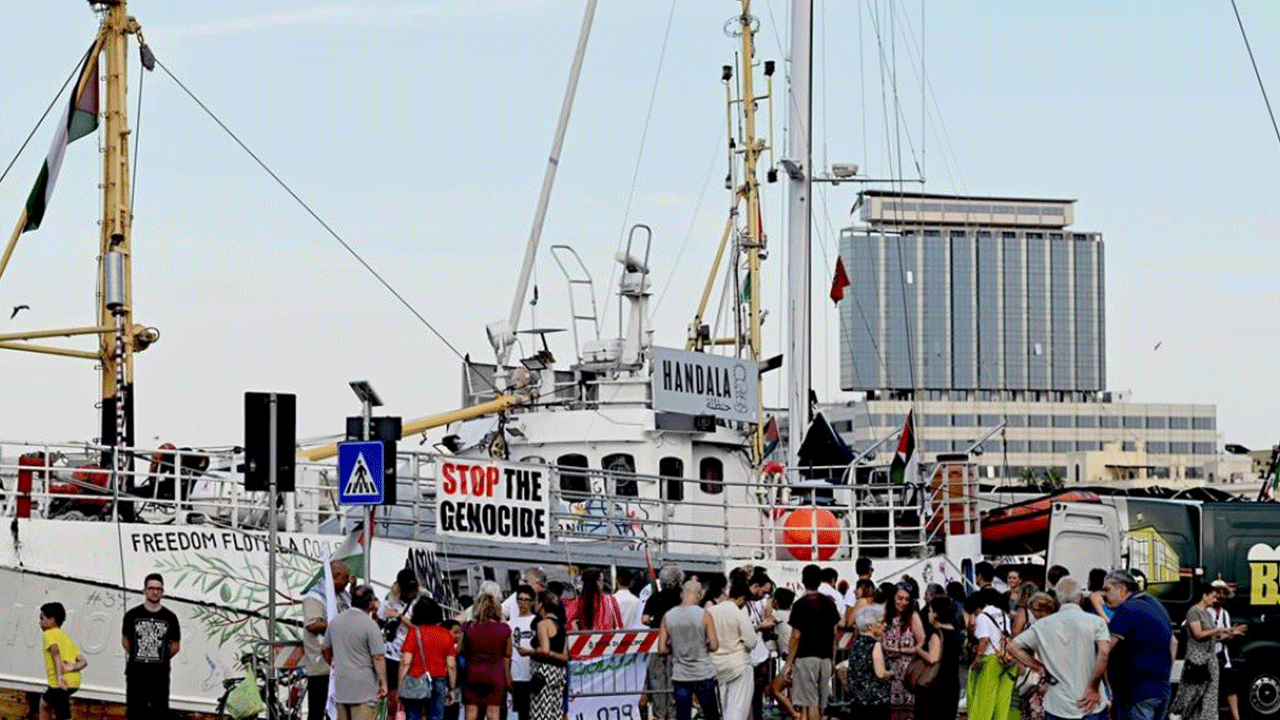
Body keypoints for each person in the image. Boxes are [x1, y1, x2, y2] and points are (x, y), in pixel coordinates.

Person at [1004, 577, 1109, 720]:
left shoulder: (1041, 626)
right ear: (1080, 598)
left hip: (1058, 704)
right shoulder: (1096, 622)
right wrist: (1093, 687)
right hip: (1091, 704)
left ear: (1058, 600)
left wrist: (1039, 667)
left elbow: (1012, 647)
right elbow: (1103, 653)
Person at [1082, 570, 1174, 720]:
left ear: (1122, 589)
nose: (1103, 595)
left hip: (1136, 693)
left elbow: (1106, 650)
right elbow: (1174, 643)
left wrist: (1093, 685)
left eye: (1107, 589)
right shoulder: (1156, 606)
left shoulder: (1127, 609)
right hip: (1161, 691)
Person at [783, 564, 841, 720]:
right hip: (826, 657)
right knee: (820, 703)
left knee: (809, 702)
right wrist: (833, 660)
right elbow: (834, 635)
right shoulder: (830, 603)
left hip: (806, 657)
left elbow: (796, 636)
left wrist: (789, 663)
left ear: (803, 580)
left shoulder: (800, 604)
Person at [121, 572, 181, 720]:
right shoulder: (132, 615)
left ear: (163, 592)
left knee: (159, 713)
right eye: (151, 588)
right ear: (144, 590)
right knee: (135, 712)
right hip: (136, 674)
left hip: (160, 675)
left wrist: (161, 657)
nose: (155, 592)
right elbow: (125, 640)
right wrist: (138, 654)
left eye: (158, 589)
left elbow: (175, 645)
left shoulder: (170, 617)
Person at [660, 578, 721, 720]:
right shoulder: (704, 615)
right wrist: (701, 646)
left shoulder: (668, 616)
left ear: (682, 594)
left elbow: (662, 649)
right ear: (699, 595)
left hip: (680, 675)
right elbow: (714, 645)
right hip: (703, 673)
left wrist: (676, 648)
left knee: (683, 715)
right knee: (711, 714)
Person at [325, 584, 388, 720]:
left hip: (341, 688)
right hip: (364, 689)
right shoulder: (370, 625)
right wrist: (383, 683)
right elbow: (378, 657)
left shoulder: (335, 622)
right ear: (371, 604)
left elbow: (325, 650)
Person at [1170, 585, 1228, 720]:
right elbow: (1198, 634)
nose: (1215, 599)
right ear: (1204, 596)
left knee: (1210, 694)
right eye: (1213, 596)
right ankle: (1178, 714)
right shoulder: (1193, 612)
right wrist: (1218, 630)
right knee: (1191, 692)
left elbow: (1212, 635)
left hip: (1210, 658)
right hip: (1197, 659)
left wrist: (1228, 632)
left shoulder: (1207, 613)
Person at [305, 560, 353, 720]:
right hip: (322, 665)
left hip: (342, 664)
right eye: (345, 578)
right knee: (318, 710)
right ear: (334, 576)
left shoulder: (343, 594)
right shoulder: (315, 596)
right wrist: (340, 624)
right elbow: (312, 625)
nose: (347, 582)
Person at [399, 598, 458, 720]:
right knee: (436, 716)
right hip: (438, 680)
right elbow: (451, 665)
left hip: (415, 679)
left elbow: (405, 662)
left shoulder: (413, 632)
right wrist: (452, 688)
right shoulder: (446, 634)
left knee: (413, 715)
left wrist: (400, 685)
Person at [708, 579, 757, 720]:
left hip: (716, 666)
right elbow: (751, 641)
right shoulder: (739, 613)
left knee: (721, 708)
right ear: (742, 598)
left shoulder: (710, 611)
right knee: (737, 709)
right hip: (739, 665)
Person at [642, 564, 685, 720]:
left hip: (657, 643)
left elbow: (645, 619)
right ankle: (674, 715)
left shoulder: (655, 597)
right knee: (676, 682)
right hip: (678, 645)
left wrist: (657, 623)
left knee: (658, 682)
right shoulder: (682, 598)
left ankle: (660, 714)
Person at [461, 594, 512, 720]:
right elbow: (508, 653)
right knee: (493, 715)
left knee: (471, 715)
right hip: (495, 675)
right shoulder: (504, 629)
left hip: (472, 675)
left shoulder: (468, 627)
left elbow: (460, 650)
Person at [966, 587, 1015, 720]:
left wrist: (977, 658)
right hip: (1006, 658)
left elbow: (984, 640)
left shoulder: (983, 616)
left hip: (990, 660)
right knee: (1002, 700)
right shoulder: (1002, 613)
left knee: (984, 700)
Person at [380, 568, 421, 719]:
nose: (409, 590)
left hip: (412, 653)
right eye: (405, 587)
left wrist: (399, 617)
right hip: (392, 652)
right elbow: (379, 621)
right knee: (393, 694)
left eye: (411, 587)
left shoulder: (421, 601)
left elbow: (420, 629)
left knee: (412, 695)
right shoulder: (389, 599)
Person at [881, 583, 924, 720]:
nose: (903, 603)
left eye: (907, 599)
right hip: (888, 672)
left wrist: (901, 650)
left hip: (907, 673)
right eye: (900, 598)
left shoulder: (912, 617)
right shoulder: (885, 616)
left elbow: (922, 642)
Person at [915, 597, 962, 720]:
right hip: (952, 681)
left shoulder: (936, 634)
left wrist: (919, 650)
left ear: (936, 614)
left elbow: (933, 658)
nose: (929, 614)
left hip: (936, 683)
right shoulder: (955, 631)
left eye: (930, 611)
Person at [40, 602, 87, 720]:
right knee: (45, 703)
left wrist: (60, 675)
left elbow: (55, 652)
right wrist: (71, 667)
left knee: (62, 715)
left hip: (60, 683)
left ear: (51, 620)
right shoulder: (65, 636)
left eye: (42, 618)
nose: (40, 622)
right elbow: (83, 661)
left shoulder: (49, 633)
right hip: (74, 682)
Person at [527, 591, 570, 720]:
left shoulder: (542, 624)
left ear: (541, 605)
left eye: (535, 602)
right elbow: (565, 656)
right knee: (555, 713)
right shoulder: (562, 626)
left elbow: (545, 650)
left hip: (543, 673)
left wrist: (528, 652)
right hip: (558, 673)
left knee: (540, 713)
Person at [1208, 579, 1247, 720]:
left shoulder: (1225, 613)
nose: (1220, 595)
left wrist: (1231, 634)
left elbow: (1226, 637)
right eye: (1218, 591)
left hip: (1224, 659)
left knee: (1230, 689)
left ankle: (1236, 718)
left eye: (1223, 592)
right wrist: (1224, 634)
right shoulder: (1204, 611)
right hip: (1208, 658)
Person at [846, 606, 892, 720]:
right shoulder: (875, 645)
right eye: (881, 622)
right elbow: (880, 673)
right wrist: (892, 673)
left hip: (857, 700)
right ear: (870, 626)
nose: (885, 625)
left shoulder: (855, 644)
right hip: (875, 701)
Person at [505, 585, 537, 720]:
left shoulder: (537, 622)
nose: (523, 603)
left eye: (526, 600)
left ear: (533, 602)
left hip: (534, 674)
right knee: (522, 715)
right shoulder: (509, 624)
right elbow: (507, 654)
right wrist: (508, 676)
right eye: (520, 600)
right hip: (517, 675)